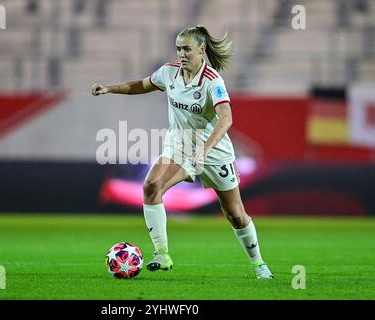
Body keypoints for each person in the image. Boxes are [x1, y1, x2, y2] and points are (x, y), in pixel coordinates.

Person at [91, 25, 273, 279]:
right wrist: (110, 88)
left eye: (187, 48)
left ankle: (259, 265)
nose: (182, 53)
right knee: (151, 186)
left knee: (235, 215)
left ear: (202, 49)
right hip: (180, 145)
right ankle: (161, 254)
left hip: (214, 149)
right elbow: (142, 85)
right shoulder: (169, 73)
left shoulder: (212, 82)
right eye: (178, 48)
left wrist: (206, 150)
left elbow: (226, 118)